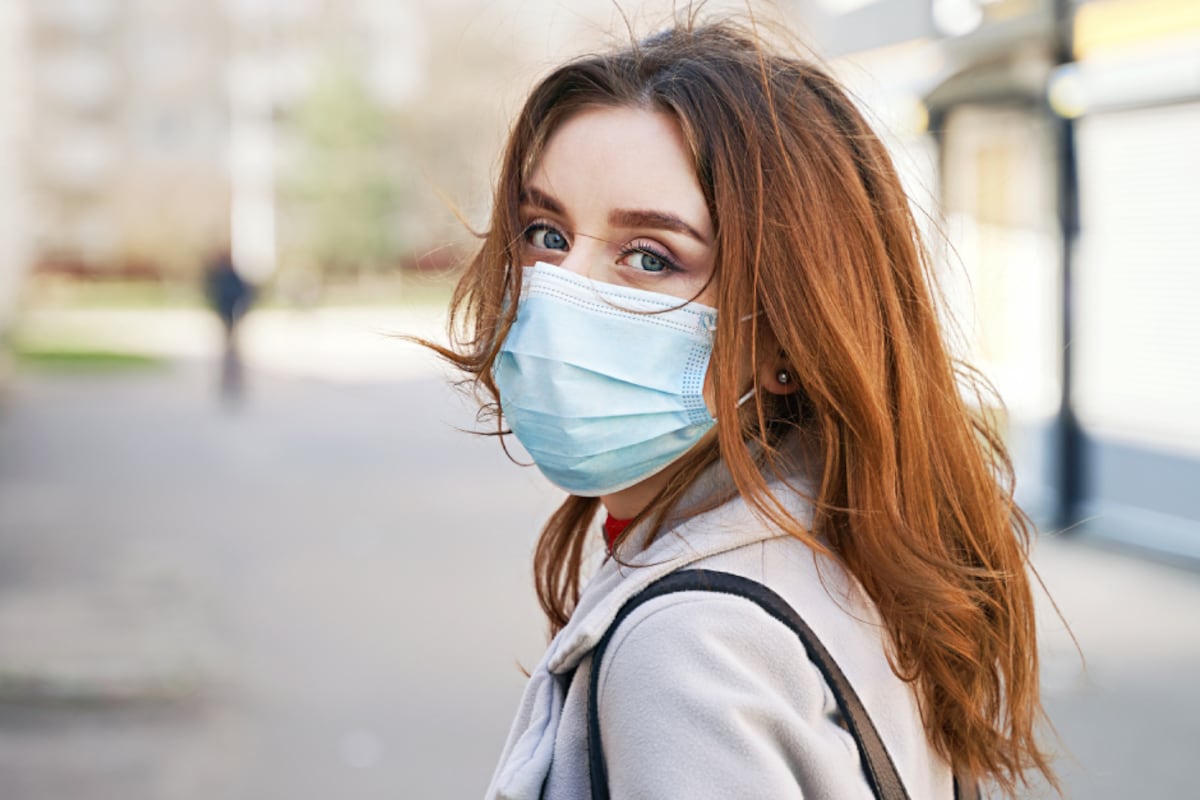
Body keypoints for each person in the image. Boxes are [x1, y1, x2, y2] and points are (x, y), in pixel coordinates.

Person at [428, 17, 1058, 800]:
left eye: (650, 256)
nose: (559, 292)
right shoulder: (850, 545)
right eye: (545, 233)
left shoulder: (687, 647)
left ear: (787, 336)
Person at [203, 245, 255, 404]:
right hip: (226, 317)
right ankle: (227, 382)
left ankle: (235, 382)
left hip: (234, 316)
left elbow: (245, 294)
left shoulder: (232, 277)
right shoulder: (220, 277)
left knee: (234, 352)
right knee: (228, 352)